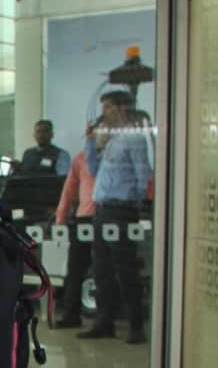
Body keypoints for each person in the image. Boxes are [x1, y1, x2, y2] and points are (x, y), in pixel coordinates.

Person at [78, 90, 153, 344]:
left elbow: (143, 175)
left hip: (121, 210)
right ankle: (104, 322)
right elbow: (93, 169)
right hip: (102, 209)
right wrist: (91, 142)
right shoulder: (111, 141)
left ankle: (135, 326)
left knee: (125, 268)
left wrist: (135, 204)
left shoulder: (133, 139)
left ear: (122, 108)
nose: (104, 114)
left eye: (108, 108)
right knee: (102, 269)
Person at [53, 136, 97, 328]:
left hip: (106, 216)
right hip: (85, 217)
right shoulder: (80, 159)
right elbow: (68, 190)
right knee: (75, 268)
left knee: (104, 270)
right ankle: (71, 314)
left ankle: (104, 319)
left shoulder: (111, 159)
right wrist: (60, 217)